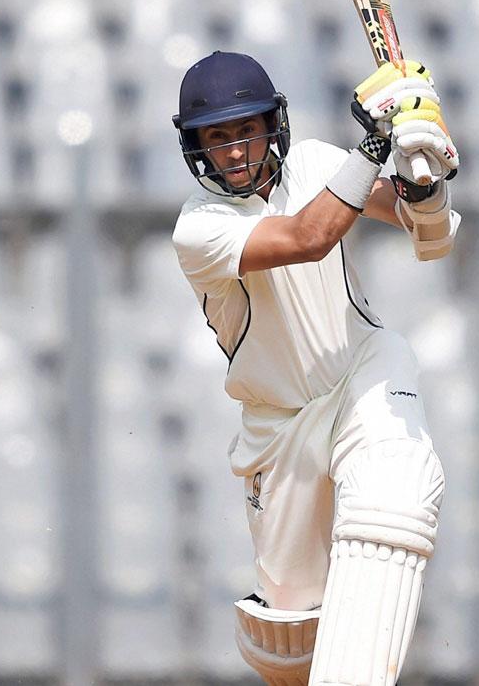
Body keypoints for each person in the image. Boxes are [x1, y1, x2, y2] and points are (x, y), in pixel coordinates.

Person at [171, 51, 460, 685]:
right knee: (292, 636)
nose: (236, 151)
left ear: (273, 124)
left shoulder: (316, 164)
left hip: (361, 366)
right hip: (280, 426)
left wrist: (421, 177)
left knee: (396, 489)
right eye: (217, 138)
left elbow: (427, 233)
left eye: (245, 129)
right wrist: (379, 140)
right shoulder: (199, 228)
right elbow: (307, 238)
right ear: (197, 148)